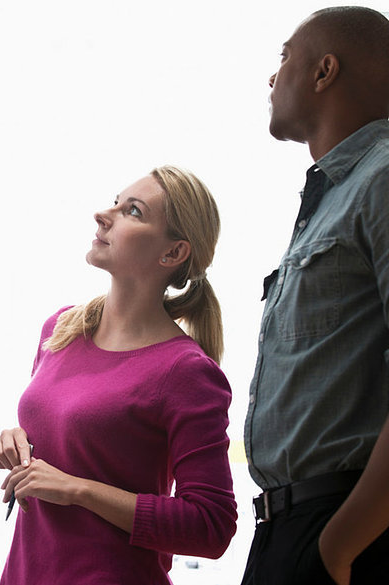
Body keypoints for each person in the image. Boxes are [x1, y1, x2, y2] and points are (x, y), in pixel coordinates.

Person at [0, 165, 237, 584]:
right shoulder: (61, 330)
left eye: (133, 211)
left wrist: (77, 489)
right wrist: (16, 442)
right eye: (115, 201)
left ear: (173, 253)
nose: (104, 214)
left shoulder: (186, 372)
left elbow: (211, 526)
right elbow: (81, 438)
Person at [242, 6, 389, 585]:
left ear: (324, 71)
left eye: (284, 59)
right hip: (292, 528)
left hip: (345, 532)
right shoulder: (333, 196)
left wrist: (337, 548)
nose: (272, 79)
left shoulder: (382, 178)